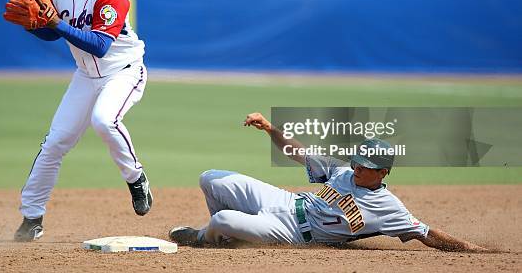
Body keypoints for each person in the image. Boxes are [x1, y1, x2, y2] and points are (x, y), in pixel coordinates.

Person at [168, 112, 487, 252]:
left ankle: (203, 237)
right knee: (210, 179)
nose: (359, 169)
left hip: (295, 233)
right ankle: (226, 236)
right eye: (358, 162)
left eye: (367, 166)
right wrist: (270, 129)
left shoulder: (389, 209)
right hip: (286, 202)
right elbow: (298, 153)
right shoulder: (343, 172)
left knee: (223, 218)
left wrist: (476, 250)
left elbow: (427, 234)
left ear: (383, 173)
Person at [13, 0, 152, 242]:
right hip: (85, 76)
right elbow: (53, 33)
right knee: (54, 143)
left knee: (104, 121)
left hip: (123, 71)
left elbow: (100, 45)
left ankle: (136, 178)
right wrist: (33, 26)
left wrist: (56, 25)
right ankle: (32, 218)